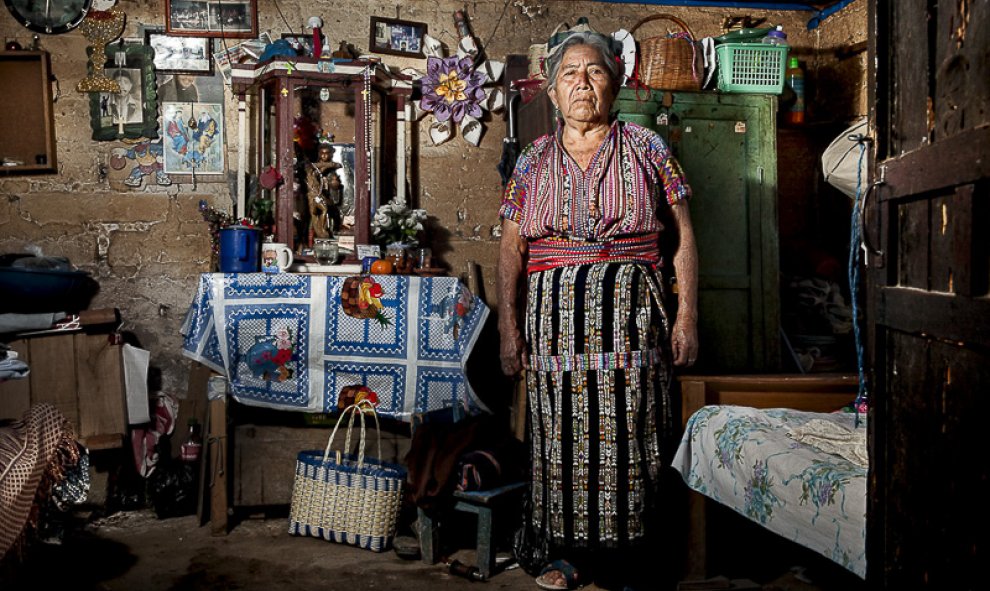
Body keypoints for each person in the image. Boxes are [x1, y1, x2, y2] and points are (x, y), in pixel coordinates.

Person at [496, 30, 699, 591]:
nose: (582, 82)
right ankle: (565, 556)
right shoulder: (533, 160)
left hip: (631, 324)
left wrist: (687, 318)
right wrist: (509, 332)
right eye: (569, 74)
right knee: (558, 438)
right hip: (552, 330)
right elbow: (511, 249)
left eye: (595, 71)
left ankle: (629, 564)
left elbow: (682, 237)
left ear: (615, 84)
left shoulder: (648, 146)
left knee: (632, 436)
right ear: (553, 95)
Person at [305, 141, 343, 243]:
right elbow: (313, 168)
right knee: (314, 216)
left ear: (331, 154)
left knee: (333, 214)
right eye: (322, 153)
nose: (324, 155)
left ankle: (330, 231)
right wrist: (328, 165)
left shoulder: (332, 169)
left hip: (327, 196)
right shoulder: (313, 167)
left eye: (327, 153)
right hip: (315, 196)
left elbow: (338, 167)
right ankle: (316, 235)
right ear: (318, 153)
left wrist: (335, 183)